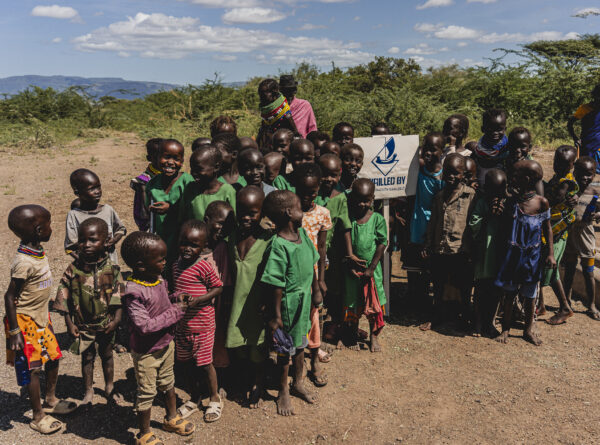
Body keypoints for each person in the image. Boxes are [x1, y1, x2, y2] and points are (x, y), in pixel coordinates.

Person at [4, 205, 77, 435]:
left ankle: (51, 399)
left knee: (54, 357)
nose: (51, 228)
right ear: (38, 230)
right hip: (25, 321)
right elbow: (9, 296)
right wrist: (14, 330)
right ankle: (37, 416)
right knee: (33, 368)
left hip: (41, 317)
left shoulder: (37, 250)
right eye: (49, 224)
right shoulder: (23, 262)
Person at [120, 232, 196, 444]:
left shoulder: (157, 279)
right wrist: (177, 311)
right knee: (146, 392)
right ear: (141, 265)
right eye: (161, 259)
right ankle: (144, 434)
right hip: (146, 353)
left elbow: (162, 301)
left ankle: (171, 418)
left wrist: (176, 298)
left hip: (165, 345)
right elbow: (144, 326)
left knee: (168, 382)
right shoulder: (133, 292)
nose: (165, 262)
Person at [261, 190, 322, 416]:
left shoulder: (302, 235)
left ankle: (298, 382)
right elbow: (275, 283)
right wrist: (276, 315)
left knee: (300, 344)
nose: (303, 211)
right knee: (285, 349)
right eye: (299, 207)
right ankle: (283, 389)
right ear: (288, 212)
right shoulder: (278, 245)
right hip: (288, 304)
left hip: (304, 300)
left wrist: (315, 289)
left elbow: (313, 263)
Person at [54, 218, 124, 405]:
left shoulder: (112, 269)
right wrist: (69, 323)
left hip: (106, 323)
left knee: (107, 354)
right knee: (88, 357)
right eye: (82, 240)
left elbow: (119, 297)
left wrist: (116, 320)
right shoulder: (74, 269)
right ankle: (88, 391)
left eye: (93, 240)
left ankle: (109, 386)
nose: (86, 245)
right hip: (83, 325)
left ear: (107, 240)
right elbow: (64, 297)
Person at [495, 160, 553, 346]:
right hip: (513, 256)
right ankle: (506, 328)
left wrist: (550, 254)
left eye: (515, 175)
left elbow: (548, 229)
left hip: (532, 257)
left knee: (530, 295)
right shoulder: (511, 202)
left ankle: (528, 329)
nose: (511, 178)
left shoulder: (541, 203)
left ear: (526, 179)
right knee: (509, 294)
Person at [171, 220, 224, 423]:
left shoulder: (203, 265)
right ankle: (194, 398)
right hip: (183, 325)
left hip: (203, 325)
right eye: (184, 243)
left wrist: (198, 300)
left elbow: (218, 287)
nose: (187, 248)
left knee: (204, 363)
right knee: (185, 363)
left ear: (203, 246)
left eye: (194, 245)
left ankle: (214, 398)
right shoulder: (176, 265)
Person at [226, 186, 273, 408]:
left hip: (257, 305)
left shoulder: (268, 240)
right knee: (239, 347)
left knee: (258, 347)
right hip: (236, 303)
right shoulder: (232, 237)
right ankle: (241, 381)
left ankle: (257, 384)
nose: (246, 217)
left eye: (252, 213)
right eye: (241, 211)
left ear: (262, 212)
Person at [421, 153, 476, 332]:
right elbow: (433, 222)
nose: (451, 176)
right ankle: (436, 316)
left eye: (456, 172)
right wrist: (428, 244)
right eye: (448, 172)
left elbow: (473, 225)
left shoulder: (471, 196)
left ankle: (466, 317)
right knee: (438, 284)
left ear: (463, 174)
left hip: (461, 250)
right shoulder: (439, 196)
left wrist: (472, 249)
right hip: (440, 248)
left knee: (464, 286)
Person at [296, 163, 332, 386]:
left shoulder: (322, 214)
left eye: (313, 192)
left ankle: (314, 360)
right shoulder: (291, 211)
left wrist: (321, 280)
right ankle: (295, 359)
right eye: (304, 192)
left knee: (314, 316)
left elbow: (322, 248)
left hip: (313, 274)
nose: (309, 196)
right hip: (293, 274)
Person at [342, 179, 387, 352]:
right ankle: (352, 333)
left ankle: (374, 336)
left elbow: (382, 243)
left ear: (373, 199)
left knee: (374, 303)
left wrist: (372, 267)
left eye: (367, 200)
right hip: (351, 270)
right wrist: (349, 262)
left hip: (371, 271)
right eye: (358, 199)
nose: (362, 204)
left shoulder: (377, 219)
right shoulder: (350, 218)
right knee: (353, 301)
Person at [316, 154, 353, 344]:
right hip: (314, 252)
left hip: (333, 253)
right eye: (325, 174)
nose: (329, 179)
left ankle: (334, 325)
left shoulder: (341, 199)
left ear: (339, 175)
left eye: (333, 175)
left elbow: (345, 227)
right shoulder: (312, 194)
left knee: (334, 289)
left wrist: (349, 253)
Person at [406, 133, 445, 305]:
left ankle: (434, 303)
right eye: (426, 148)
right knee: (415, 263)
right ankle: (416, 298)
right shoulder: (417, 170)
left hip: (435, 225)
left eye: (433, 150)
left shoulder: (444, 176)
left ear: (442, 152)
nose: (428, 153)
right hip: (417, 223)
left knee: (433, 266)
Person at [201, 201, 235, 393]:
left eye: (227, 226)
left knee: (218, 341)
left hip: (216, 306)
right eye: (219, 223)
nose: (222, 230)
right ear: (207, 220)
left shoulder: (222, 247)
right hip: (197, 307)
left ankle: (218, 381)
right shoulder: (193, 244)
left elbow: (226, 280)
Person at [542, 145, 578, 325]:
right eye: (557, 162)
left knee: (551, 266)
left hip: (557, 231)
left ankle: (564, 307)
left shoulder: (566, 181)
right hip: (553, 228)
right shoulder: (559, 177)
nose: (559, 166)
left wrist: (540, 197)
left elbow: (555, 199)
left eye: (565, 164)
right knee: (546, 265)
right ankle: (540, 305)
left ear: (572, 165)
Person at [469, 169, 507, 337]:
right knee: (480, 289)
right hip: (484, 255)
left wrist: (502, 214)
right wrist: (490, 216)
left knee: (495, 291)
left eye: (501, 190)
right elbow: (474, 225)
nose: (497, 195)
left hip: (500, 256)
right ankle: (477, 323)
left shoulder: (508, 203)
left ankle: (489, 323)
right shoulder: (482, 203)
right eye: (493, 190)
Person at [562, 156, 600, 320]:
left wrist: (598, 214)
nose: (585, 177)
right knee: (569, 269)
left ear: (594, 174)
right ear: (574, 171)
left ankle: (591, 304)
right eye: (581, 173)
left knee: (588, 271)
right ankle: (566, 302)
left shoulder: (596, 189)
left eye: (589, 174)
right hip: (570, 232)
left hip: (586, 233)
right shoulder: (570, 187)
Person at [146, 139, 194, 267]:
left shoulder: (187, 181)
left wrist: (171, 209)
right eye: (166, 157)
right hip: (161, 239)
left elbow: (192, 210)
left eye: (176, 159)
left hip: (183, 240)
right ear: (157, 158)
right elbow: (148, 214)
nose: (171, 163)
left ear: (182, 161)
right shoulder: (152, 184)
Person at [65, 168, 126, 265]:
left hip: (110, 265)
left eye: (98, 187)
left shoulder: (108, 210)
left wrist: (114, 240)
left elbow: (121, 229)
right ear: (77, 192)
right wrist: (84, 264)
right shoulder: (73, 215)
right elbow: (70, 247)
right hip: (86, 268)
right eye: (92, 189)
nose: (97, 191)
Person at [180, 145, 236, 222]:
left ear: (216, 167)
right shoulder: (190, 189)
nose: (193, 173)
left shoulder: (227, 191)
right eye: (192, 169)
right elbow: (182, 218)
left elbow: (233, 222)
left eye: (199, 169)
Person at [256, 79, 299, 151]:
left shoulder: (286, 116)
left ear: (274, 92)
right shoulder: (266, 116)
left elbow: (296, 135)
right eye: (260, 95)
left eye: (263, 95)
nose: (261, 98)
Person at [130, 138, 162, 231]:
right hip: (151, 225)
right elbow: (143, 211)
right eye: (157, 156)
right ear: (149, 158)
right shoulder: (144, 181)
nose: (161, 160)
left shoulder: (170, 175)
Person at [471, 109, 508, 186]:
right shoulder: (481, 147)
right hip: (484, 171)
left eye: (499, 129)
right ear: (483, 129)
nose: (495, 133)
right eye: (490, 129)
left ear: (505, 129)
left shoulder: (507, 144)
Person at [568, 84, 600, 173]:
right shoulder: (584, 109)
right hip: (587, 145)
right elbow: (570, 123)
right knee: (584, 169)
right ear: (595, 96)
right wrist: (575, 138)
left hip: (598, 146)